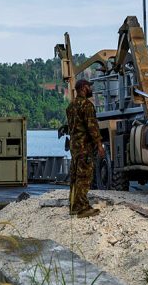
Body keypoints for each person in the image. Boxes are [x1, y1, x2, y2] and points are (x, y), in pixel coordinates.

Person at [65, 79, 105, 218]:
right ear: (83, 88)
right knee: (84, 177)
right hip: (84, 147)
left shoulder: (71, 106)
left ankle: (73, 206)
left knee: (75, 177)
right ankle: (82, 208)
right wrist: (99, 145)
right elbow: (92, 127)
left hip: (74, 147)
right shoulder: (87, 105)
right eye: (89, 87)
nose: (90, 89)